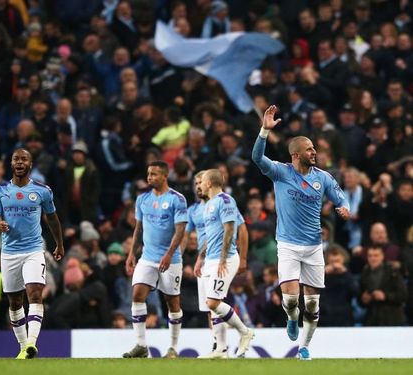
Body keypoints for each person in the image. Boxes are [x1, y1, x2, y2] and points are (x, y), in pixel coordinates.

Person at [252, 105, 350, 360]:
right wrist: (264, 131)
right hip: (288, 245)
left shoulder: (323, 178)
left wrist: (343, 207)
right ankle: (292, 318)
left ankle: (304, 347)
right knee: (292, 300)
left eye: (314, 148)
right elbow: (256, 158)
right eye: (309, 149)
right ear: (296, 154)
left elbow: (340, 197)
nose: (314, 152)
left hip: (314, 246)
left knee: (314, 304)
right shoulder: (281, 172)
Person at [0, 148, 64, 359]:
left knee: (35, 294)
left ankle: (31, 343)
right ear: (11, 164)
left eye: (24, 159)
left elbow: (52, 218)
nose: (19, 162)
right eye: (16, 159)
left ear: (30, 164)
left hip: (33, 250)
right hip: (9, 253)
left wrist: (59, 243)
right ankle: (23, 348)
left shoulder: (42, 190)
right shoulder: (0, 190)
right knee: (14, 302)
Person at [123, 160, 188, 359]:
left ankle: (173, 347)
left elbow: (180, 230)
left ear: (165, 176)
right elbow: (138, 228)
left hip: (171, 259)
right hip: (147, 257)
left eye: (154, 174)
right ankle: (141, 345)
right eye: (148, 174)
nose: (149, 177)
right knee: (137, 295)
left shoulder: (177, 199)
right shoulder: (142, 199)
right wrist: (132, 253)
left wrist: (169, 254)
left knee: (172, 302)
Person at [184, 170, 249, 358]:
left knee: (214, 302)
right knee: (210, 304)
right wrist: (201, 257)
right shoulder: (207, 206)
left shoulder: (226, 201)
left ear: (209, 183)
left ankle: (245, 332)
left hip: (225, 259)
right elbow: (210, 237)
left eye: (201, 181)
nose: (199, 185)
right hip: (209, 259)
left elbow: (230, 229)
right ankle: (220, 348)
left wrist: (222, 259)